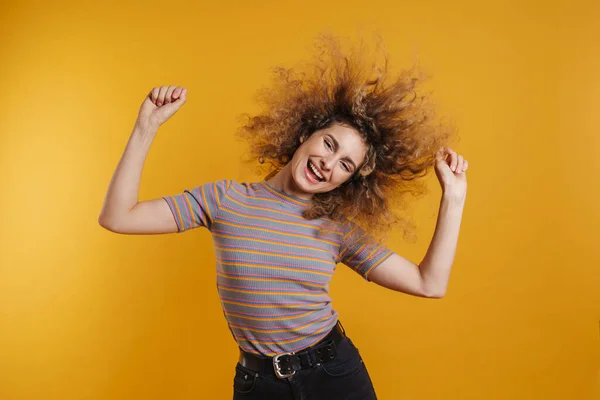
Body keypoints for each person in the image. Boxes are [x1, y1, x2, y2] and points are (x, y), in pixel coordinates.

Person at [98, 37, 468, 399]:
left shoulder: (336, 229)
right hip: (259, 385)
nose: (328, 163)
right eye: (329, 144)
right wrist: (146, 127)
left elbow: (428, 283)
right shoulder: (224, 199)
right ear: (306, 134)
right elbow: (118, 217)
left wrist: (453, 197)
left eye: (345, 165)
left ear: (349, 181)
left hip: (335, 376)